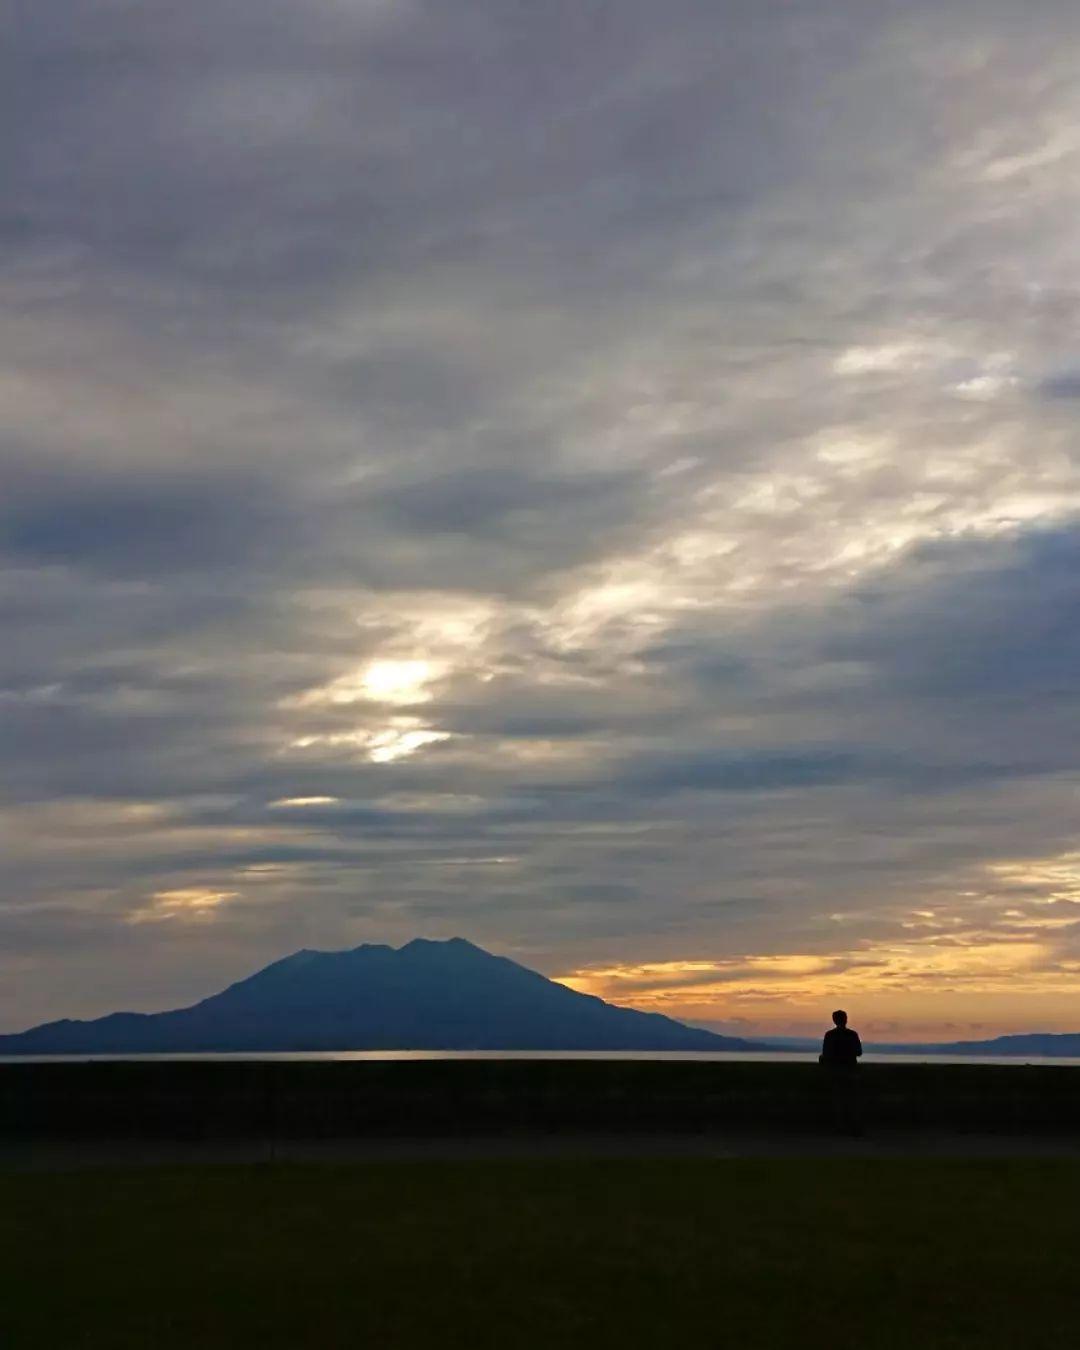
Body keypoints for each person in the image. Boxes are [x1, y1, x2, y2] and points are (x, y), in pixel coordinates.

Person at [819, 1009, 863, 1134]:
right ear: (846, 1019)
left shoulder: (830, 1035)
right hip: (851, 1071)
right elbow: (859, 1052)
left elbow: (826, 1054)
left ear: (834, 1020)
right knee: (852, 1100)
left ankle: (840, 1127)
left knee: (838, 1100)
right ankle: (855, 1127)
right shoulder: (853, 1034)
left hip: (836, 1072)